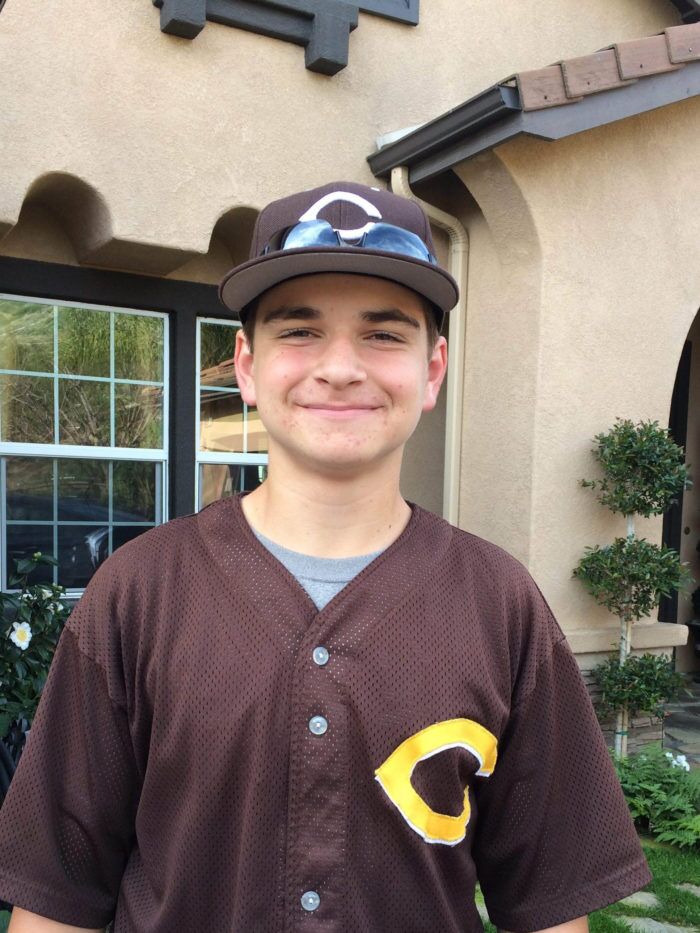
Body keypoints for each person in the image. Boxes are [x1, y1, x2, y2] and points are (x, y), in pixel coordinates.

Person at [0, 180, 652, 932]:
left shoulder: (500, 604)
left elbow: (549, 902)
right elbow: (57, 898)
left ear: (432, 369)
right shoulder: (138, 593)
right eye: (299, 330)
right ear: (246, 364)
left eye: (383, 333)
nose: (340, 366)